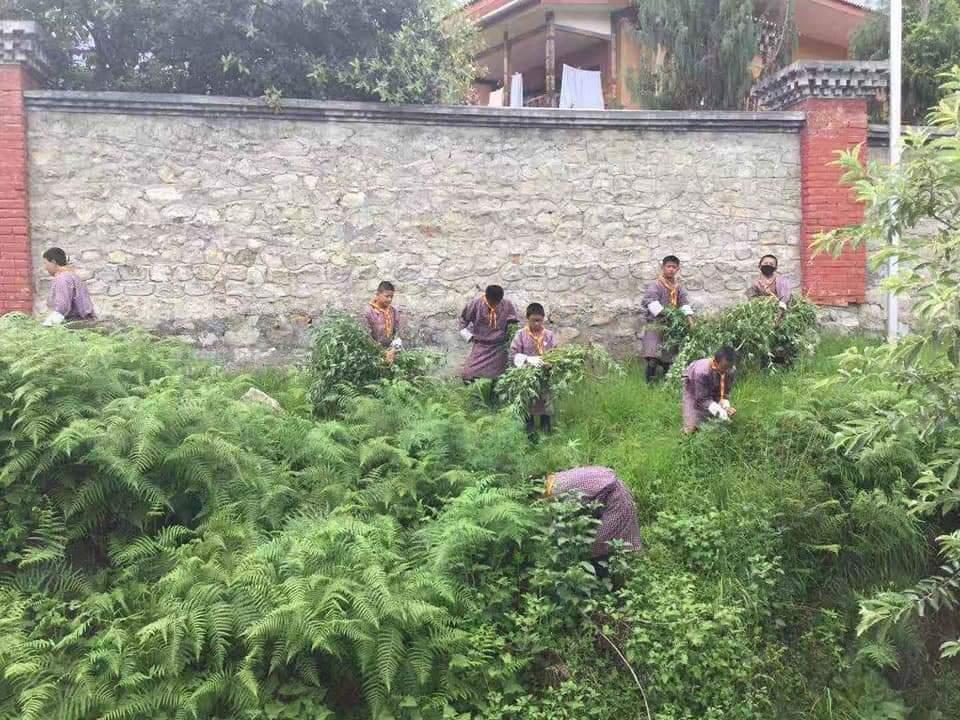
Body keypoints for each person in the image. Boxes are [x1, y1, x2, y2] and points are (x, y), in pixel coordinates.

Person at [544, 466, 642, 575]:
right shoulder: (559, 478)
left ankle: (602, 577)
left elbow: (565, 517)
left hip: (617, 501)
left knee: (599, 545)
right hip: (608, 491)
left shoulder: (559, 492)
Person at [642, 255, 693, 383]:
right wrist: (669, 313)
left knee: (668, 358)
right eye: (668, 266)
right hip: (656, 325)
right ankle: (649, 384)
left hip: (671, 327)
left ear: (677, 269)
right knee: (653, 356)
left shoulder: (678, 287)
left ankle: (667, 383)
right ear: (663, 267)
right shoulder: (655, 285)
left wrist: (690, 321)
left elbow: (684, 304)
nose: (671, 269)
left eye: (674, 267)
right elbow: (651, 302)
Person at [509, 302, 558, 437]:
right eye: (533, 320)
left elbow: (556, 353)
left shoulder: (549, 335)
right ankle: (530, 435)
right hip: (527, 378)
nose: (537, 324)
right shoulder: (521, 335)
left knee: (545, 405)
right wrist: (528, 359)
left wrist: (550, 363)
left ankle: (546, 432)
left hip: (545, 377)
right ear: (527, 318)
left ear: (543, 319)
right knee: (528, 404)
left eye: (539, 320)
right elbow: (513, 355)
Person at [459, 284, 519, 382]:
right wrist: (469, 337)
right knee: (468, 374)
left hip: (499, 347)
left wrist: (510, 333)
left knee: (499, 377)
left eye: (497, 302)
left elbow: (513, 321)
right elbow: (463, 321)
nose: (495, 305)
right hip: (481, 345)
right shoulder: (475, 304)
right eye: (492, 302)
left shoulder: (507, 304)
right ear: (487, 298)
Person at [681, 346, 737, 434]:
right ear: (715, 362)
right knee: (691, 429)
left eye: (729, 367)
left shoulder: (730, 370)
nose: (726, 370)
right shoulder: (701, 372)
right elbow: (702, 399)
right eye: (724, 367)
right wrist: (719, 411)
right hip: (693, 387)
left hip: (714, 384)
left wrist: (726, 407)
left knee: (715, 421)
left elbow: (725, 392)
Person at [41, 247, 95, 326]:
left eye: (46, 263)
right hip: (85, 322)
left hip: (76, 324)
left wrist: (48, 325)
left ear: (53, 262)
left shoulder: (63, 278)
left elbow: (62, 307)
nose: (45, 267)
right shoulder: (72, 276)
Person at [364, 280, 402, 364]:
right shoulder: (369, 312)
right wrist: (383, 352)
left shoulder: (393, 311)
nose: (389, 299)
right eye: (387, 296)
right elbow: (366, 337)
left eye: (391, 297)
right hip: (373, 354)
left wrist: (392, 350)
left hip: (392, 352)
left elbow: (396, 332)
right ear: (378, 294)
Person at [747, 254, 791, 318]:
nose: (768, 265)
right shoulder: (755, 282)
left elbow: (785, 299)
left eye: (771, 264)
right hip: (762, 314)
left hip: (780, 312)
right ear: (759, 265)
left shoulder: (782, 281)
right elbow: (751, 299)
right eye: (765, 263)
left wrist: (779, 314)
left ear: (776, 268)